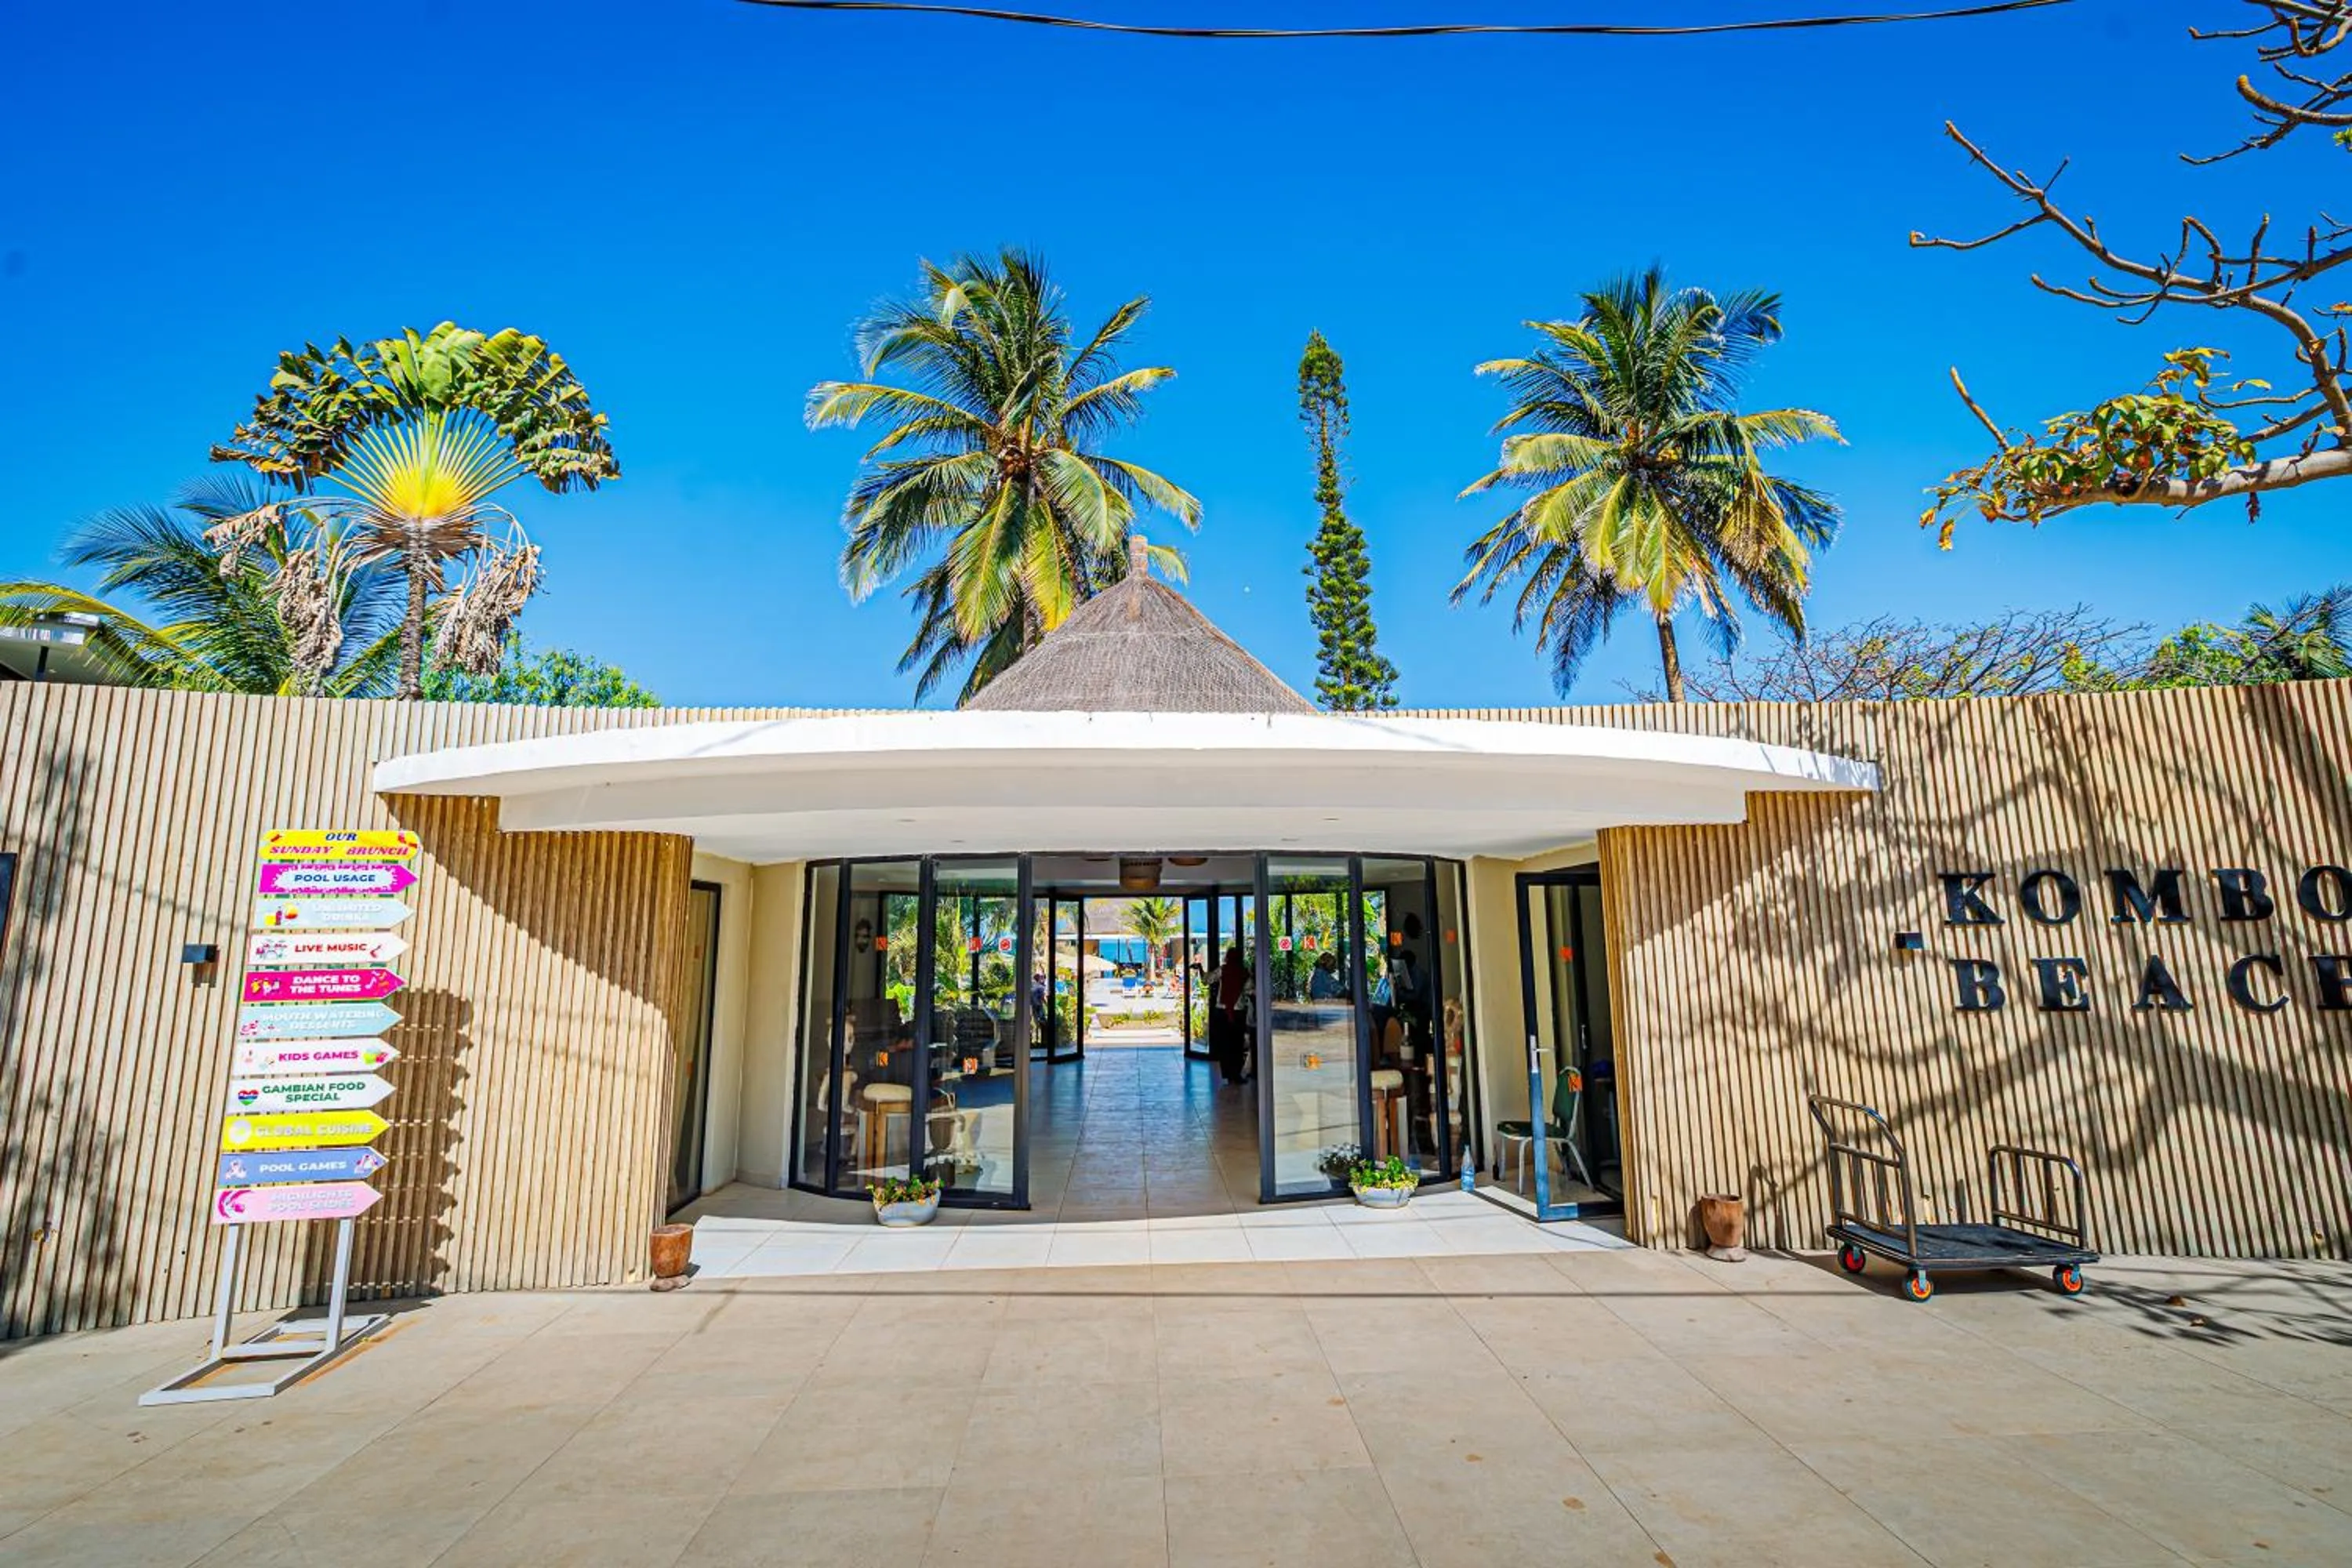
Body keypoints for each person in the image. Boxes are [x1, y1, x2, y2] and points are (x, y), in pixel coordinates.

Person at [1214, 946, 1249, 1085]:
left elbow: (1207, 979)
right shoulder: (1244, 972)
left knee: (1226, 1045)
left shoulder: (1222, 970)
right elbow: (1249, 989)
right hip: (1238, 1011)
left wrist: (1199, 969)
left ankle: (1228, 1074)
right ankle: (1237, 1074)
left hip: (1222, 1012)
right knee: (1237, 1044)